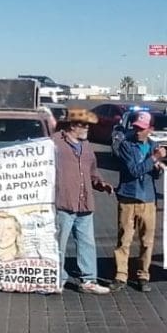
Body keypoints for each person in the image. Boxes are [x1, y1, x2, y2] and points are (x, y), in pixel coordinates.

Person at [52, 107, 113, 294]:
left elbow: (92, 171)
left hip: (85, 203)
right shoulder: (54, 143)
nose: (87, 128)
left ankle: (88, 280)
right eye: (83, 125)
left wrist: (101, 183)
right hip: (63, 202)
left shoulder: (86, 146)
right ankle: (57, 280)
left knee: (87, 243)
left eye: (88, 125)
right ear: (72, 125)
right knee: (59, 244)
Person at [113, 111, 166, 292]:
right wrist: (154, 159)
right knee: (124, 239)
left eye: (142, 129)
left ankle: (143, 275)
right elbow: (134, 170)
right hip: (128, 197)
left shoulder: (153, 146)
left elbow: (154, 174)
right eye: (136, 127)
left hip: (148, 199)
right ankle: (121, 275)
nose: (137, 131)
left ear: (150, 129)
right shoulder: (126, 145)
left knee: (147, 241)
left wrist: (159, 167)